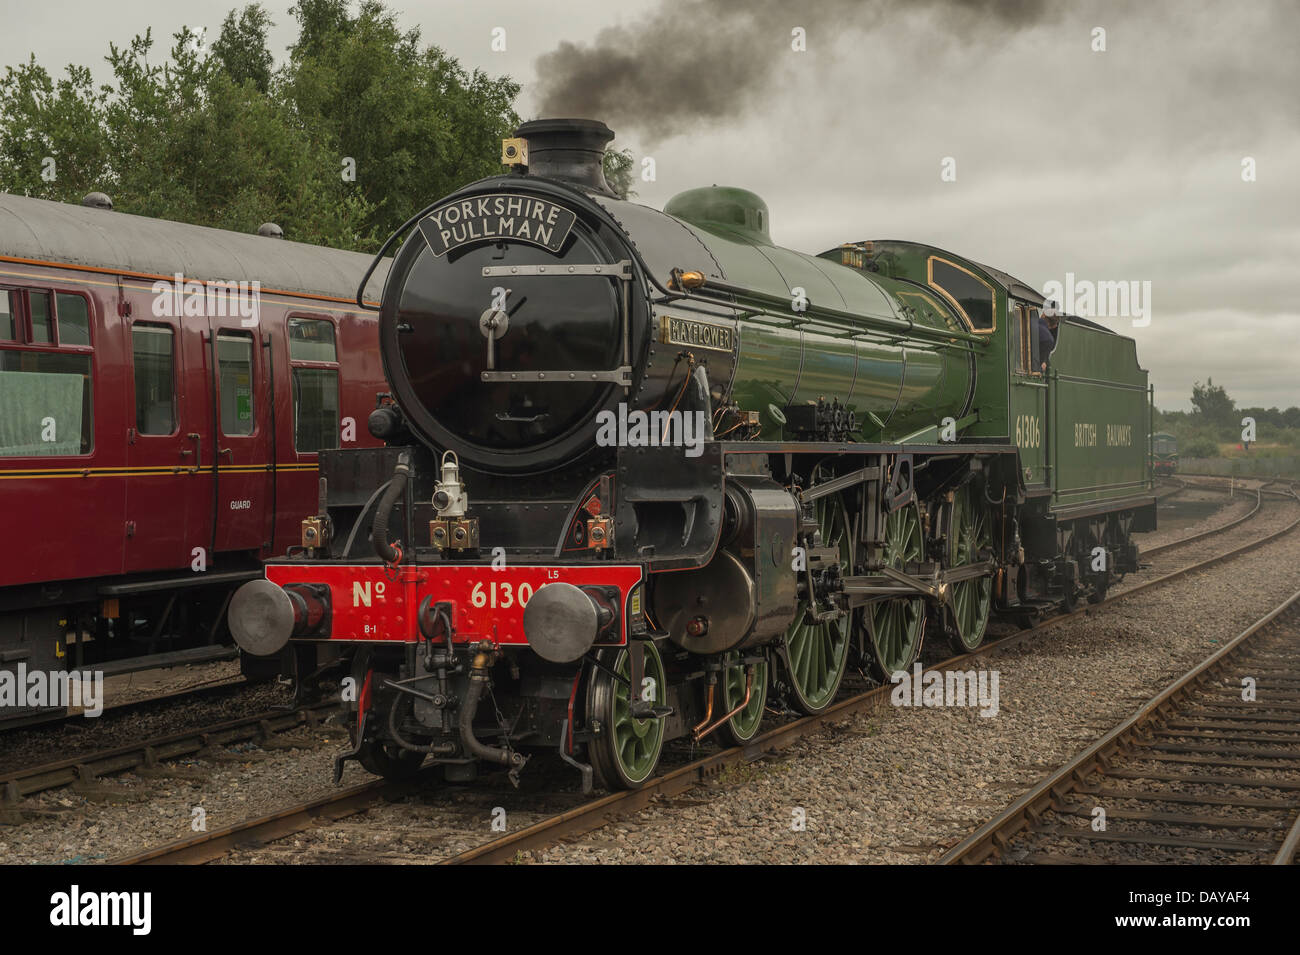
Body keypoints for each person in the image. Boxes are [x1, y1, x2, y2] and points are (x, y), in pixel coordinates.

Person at [1036, 305, 1060, 373]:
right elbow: (1036, 367)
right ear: (1054, 325)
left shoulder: (1028, 323)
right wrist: (1042, 367)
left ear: (1043, 315)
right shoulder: (1048, 340)